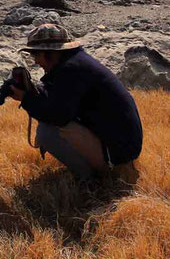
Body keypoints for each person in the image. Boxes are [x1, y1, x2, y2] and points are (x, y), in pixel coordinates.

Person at [10, 23, 143, 181]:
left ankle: (90, 180)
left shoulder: (71, 70)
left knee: (47, 133)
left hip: (118, 153)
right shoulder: (76, 63)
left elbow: (58, 116)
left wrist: (26, 99)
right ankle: (100, 167)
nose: (36, 62)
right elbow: (61, 103)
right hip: (123, 146)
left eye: (35, 55)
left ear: (50, 53)